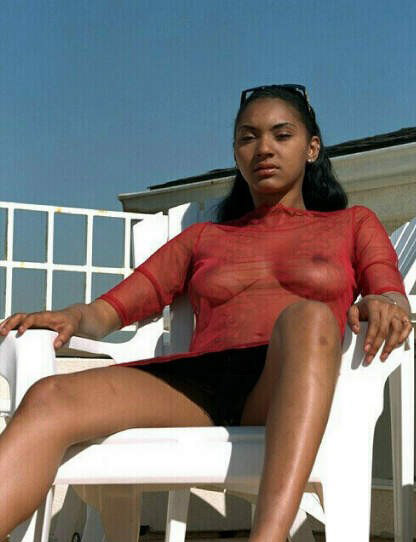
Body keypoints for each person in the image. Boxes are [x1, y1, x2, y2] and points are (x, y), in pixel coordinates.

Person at [0, 84, 412, 541]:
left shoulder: (352, 224)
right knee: (49, 396)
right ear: (236, 153)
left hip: (288, 377)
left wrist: (383, 302)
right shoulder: (204, 239)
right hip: (203, 382)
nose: (264, 149)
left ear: (312, 148)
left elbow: (391, 294)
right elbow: (110, 310)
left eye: (282, 135)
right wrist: (74, 317)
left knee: (309, 317)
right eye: (248, 137)